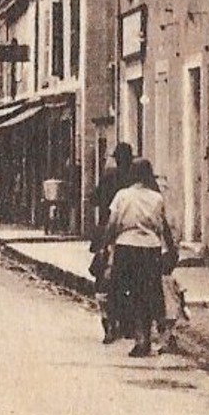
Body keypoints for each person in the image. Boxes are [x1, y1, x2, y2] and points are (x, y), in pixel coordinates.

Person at [103, 158, 177, 357]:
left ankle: (139, 338)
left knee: (127, 293)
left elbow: (112, 223)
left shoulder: (122, 196)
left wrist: (106, 244)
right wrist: (168, 247)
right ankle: (149, 337)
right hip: (150, 249)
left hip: (126, 247)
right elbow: (161, 226)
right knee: (148, 294)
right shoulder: (156, 198)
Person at [90, 143, 137, 342]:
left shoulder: (109, 176)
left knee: (105, 282)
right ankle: (128, 325)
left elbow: (94, 199)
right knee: (129, 281)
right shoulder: (136, 179)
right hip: (129, 235)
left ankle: (110, 324)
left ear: (117, 159)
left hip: (109, 234)